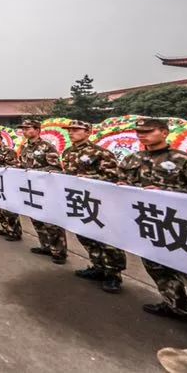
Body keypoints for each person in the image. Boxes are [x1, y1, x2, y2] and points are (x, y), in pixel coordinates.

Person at [118, 118, 187, 337]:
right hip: (147, 223)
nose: (141, 135)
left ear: (164, 132)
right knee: (156, 266)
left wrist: (165, 191)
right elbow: (121, 182)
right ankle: (175, 305)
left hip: (180, 226)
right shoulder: (131, 159)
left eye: (148, 131)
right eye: (138, 132)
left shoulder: (185, 161)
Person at [61, 120, 125, 293]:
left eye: (76, 130)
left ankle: (113, 274)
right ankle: (98, 266)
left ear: (88, 132)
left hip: (100, 202)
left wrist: (90, 179)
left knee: (106, 239)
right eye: (70, 130)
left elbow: (114, 178)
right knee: (85, 235)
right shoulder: (67, 152)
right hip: (79, 200)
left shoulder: (100, 153)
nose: (71, 133)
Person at [17, 119, 66, 264]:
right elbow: (23, 165)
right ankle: (45, 246)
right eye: (23, 129)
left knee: (51, 222)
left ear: (37, 130)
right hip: (32, 189)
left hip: (46, 189)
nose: (25, 131)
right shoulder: (26, 148)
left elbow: (56, 167)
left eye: (28, 128)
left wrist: (34, 172)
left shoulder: (47, 147)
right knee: (36, 219)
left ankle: (59, 251)